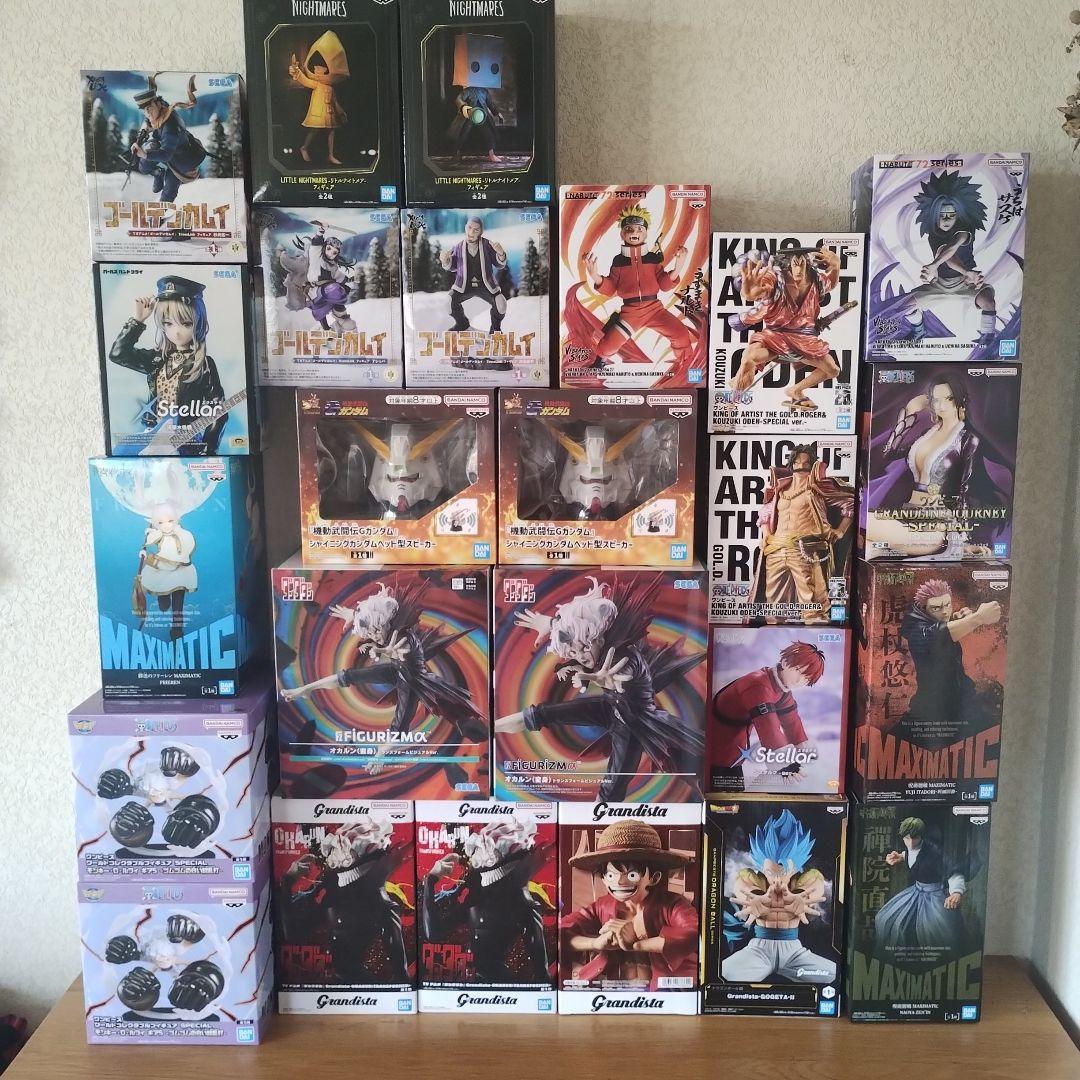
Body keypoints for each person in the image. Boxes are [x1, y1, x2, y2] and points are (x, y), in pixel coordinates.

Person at [495, 575, 705, 801]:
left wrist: (598, 678)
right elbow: (569, 630)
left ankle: (602, 815)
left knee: (612, 788)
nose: (580, 656)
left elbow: (621, 674)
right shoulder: (590, 642)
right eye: (574, 652)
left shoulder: (624, 657)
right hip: (611, 708)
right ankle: (492, 728)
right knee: (543, 713)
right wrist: (550, 624)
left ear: (599, 639)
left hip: (635, 725)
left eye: (584, 648)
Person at [560, 819, 698, 990]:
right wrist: (595, 943)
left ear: (654, 878)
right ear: (603, 878)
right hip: (611, 991)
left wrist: (637, 941)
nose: (619, 882)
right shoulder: (602, 906)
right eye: (611, 875)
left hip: (668, 990)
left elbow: (693, 934)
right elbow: (561, 932)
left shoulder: (673, 904)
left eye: (632, 875)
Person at [422, 817, 551, 983]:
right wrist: (431, 880)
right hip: (469, 981)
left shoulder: (523, 904)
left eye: (482, 846)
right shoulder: (477, 896)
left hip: (499, 983)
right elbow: (433, 933)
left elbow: (542, 976)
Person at [109, 275, 226, 455]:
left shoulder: (203, 364)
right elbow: (118, 354)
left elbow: (218, 411)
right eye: (168, 323)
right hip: (153, 434)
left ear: (199, 323)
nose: (176, 332)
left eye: (186, 323)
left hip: (183, 438)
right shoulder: (157, 358)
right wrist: (138, 320)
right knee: (122, 452)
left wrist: (208, 449)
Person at [722, 809, 834, 984]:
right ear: (762, 865)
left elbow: (816, 885)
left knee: (832, 976)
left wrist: (801, 900)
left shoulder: (807, 879)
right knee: (724, 974)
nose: (777, 879)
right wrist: (753, 900)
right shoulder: (752, 878)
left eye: (783, 872)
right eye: (771, 872)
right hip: (758, 950)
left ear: (795, 867)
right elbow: (742, 885)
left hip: (795, 952)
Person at [728, 247, 844, 411]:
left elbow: (830, 283)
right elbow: (755, 291)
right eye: (795, 264)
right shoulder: (775, 277)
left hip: (805, 340)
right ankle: (731, 402)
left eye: (802, 263)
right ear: (787, 264)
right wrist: (749, 293)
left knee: (832, 370)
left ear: (808, 263)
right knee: (749, 357)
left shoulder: (816, 280)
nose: (799, 269)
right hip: (774, 336)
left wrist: (836, 267)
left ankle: (795, 391)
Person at [893, 578, 1002, 748]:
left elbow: (946, 632)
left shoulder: (939, 622)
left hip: (959, 701)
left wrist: (959, 620)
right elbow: (938, 635)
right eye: (936, 608)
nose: (945, 612)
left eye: (948, 605)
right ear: (924, 610)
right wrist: (978, 618)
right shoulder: (918, 632)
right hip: (930, 708)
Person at [751, 444, 854, 624]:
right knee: (774, 608)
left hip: (803, 549)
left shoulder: (817, 488)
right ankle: (774, 637)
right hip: (775, 550)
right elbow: (765, 511)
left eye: (806, 463)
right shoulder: (780, 488)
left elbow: (850, 502)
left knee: (813, 604)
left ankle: (816, 636)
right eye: (797, 462)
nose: (801, 466)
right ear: (791, 464)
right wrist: (765, 532)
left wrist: (840, 530)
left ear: (812, 465)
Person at [711, 640, 825, 787]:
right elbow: (768, 727)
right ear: (785, 662)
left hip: (736, 747)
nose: (800, 681)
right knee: (726, 791)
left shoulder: (782, 690)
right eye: (798, 670)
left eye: (806, 678)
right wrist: (785, 765)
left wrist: (804, 753)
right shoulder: (759, 685)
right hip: (716, 744)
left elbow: (792, 722)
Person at [875, 816, 971, 956]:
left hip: (934, 897)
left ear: (921, 836)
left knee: (936, 933)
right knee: (884, 918)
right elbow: (913, 855)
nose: (911, 842)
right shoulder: (911, 848)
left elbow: (953, 871)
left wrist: (956, 892)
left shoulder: (936, 852)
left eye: (914, 838)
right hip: (915, 892)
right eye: (907, 838)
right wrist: (901, 857)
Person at [130, 74, 207, 204]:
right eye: (144, 111)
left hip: (183, 162)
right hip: (171, 151)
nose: (148, 114)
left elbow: (166, 155)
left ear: (158, 104)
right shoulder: (162, 108)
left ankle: (160, 213)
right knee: (144, 166)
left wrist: (144, 154)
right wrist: (143, 132)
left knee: (169, 191)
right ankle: (158, 173)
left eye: (149, 109)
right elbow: (148, 119)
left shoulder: (170, 127)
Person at [289, 32, 349, 165]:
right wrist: (297, 71)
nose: (317, 72)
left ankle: (330, 155)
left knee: (331, 131)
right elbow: (304, 80)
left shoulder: (330, 88)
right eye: (316, 70)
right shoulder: (316, 84)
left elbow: (335, 102)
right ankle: (304, 147)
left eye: (320, 70)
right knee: (314, 130)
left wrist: (341, 112)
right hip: (318, 113)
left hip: (329, 113)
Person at [440, 217, 509, 333]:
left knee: (501, 304)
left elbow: (500, 264)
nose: (471, 232)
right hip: (464, 285)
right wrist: (445, 260)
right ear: (465, 228)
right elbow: (452, 266)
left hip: (486, 285)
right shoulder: (458, 247)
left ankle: (495, 329)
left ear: (481, 232)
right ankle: (462, 324)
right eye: (469, 228)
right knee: (448, 303)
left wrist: (501, 253)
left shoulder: (487, 245)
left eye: (476, 230)